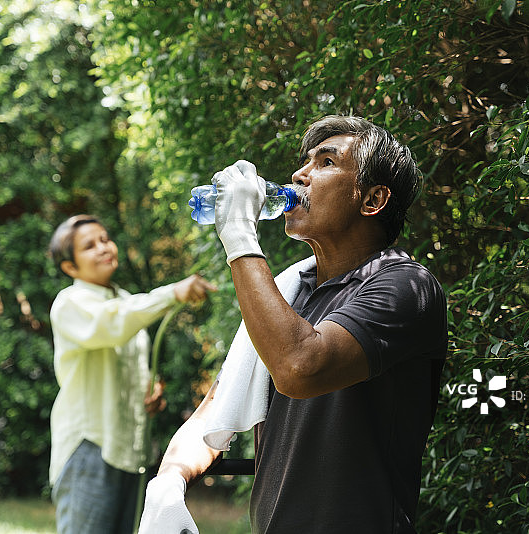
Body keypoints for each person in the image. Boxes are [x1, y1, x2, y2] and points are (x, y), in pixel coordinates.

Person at [139, 115, 448, 533]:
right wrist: (169, 482)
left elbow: (300, 366)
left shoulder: (406, 286)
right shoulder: (290, 290)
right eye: (305, 162)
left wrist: (240, 236)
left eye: (326, 163)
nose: (299, 174)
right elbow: (215, 409)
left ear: (372, 199)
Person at [47, 214, 216, 534]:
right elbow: (112, 325)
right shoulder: (70, 303)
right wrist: (173, 293)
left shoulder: (126, 301)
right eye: (89, 246)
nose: (103, 247)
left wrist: (149, 396)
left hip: (132, 451)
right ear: (70, 267)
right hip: (89, 449)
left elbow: (129, 353)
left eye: (105, 239)